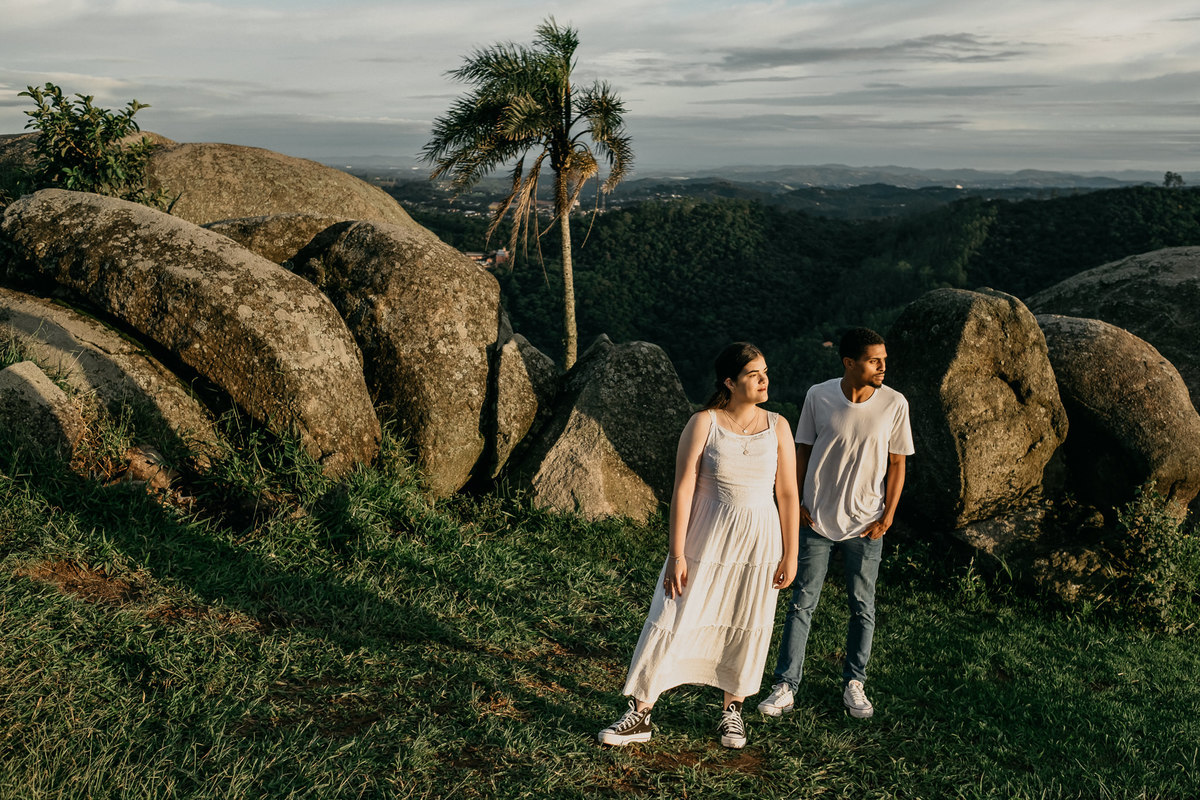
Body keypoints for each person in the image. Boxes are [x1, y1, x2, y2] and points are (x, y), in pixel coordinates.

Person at [598, 343, 799, 749]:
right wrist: (676, 554)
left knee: (746, 619)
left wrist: (791, 553)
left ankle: (732, 712)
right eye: (753, 374)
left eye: (764, 371)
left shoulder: (778, 426)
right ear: (729, 381)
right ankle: (640, 712)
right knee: (672, 615)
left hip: (759, 542)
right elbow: (684, 488)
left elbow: (789, 494)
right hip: (705, 537)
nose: (764, 380)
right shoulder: (704, 422)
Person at [757, 327, 914, 720]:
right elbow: (802, 450)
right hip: (816, 521)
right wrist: (798, 503)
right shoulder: (818, 395)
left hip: (866, 524)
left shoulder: (895, 403)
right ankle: (785, 686)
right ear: (849, 362)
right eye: (874, 360)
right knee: (801, 604)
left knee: (863, 606)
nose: (882, 367)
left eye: (884, 360)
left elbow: (898, 463)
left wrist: (888, 515)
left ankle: (854, 684)